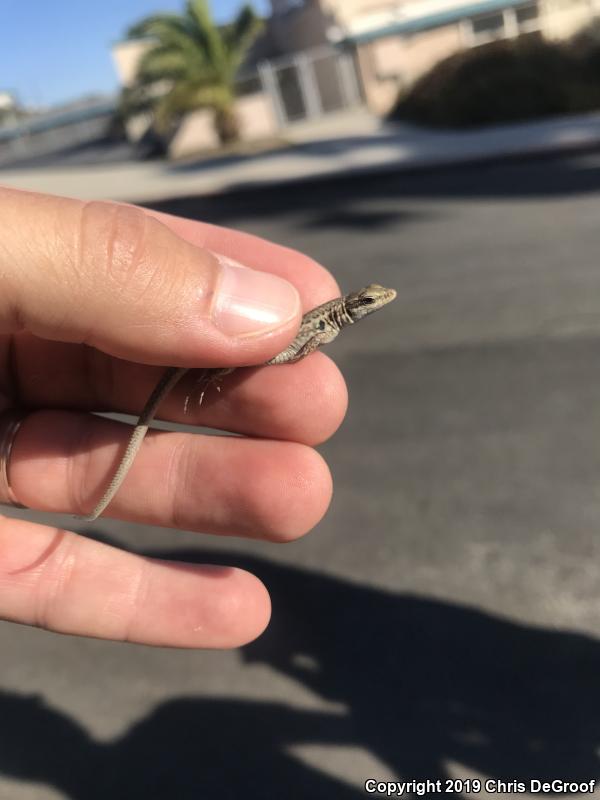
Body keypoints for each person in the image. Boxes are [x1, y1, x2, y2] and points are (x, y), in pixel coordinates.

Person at [0, 187, 347, 648]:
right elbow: (299, 346)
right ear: (353, 307)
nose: (373, 305)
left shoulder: (330, 320)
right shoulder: (325, 320)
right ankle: (203, 376)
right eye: (369, 302)